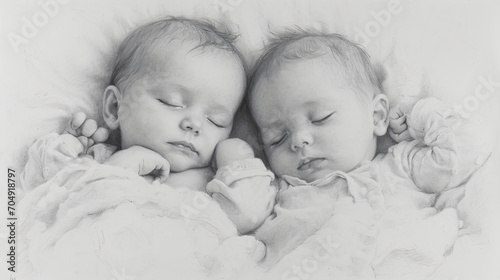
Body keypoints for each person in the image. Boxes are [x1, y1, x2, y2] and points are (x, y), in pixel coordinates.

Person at [19, 18, 275, 279]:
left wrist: (238, 158)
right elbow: (43, 195)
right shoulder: (99, 160)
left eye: (216, 120)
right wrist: (88, 152)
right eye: (172, 102)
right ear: (114, 108)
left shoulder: (214, 184)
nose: (195, 124)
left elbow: (248, 215)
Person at [245, 31, 488, 279]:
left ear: (377, 116)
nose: (298, 140)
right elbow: (236, 220)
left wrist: (417, 116)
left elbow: (468, 148)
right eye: (277, 138)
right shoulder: (276, 194)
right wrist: (235, 160)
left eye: (320, 118)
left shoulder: (400, 167)